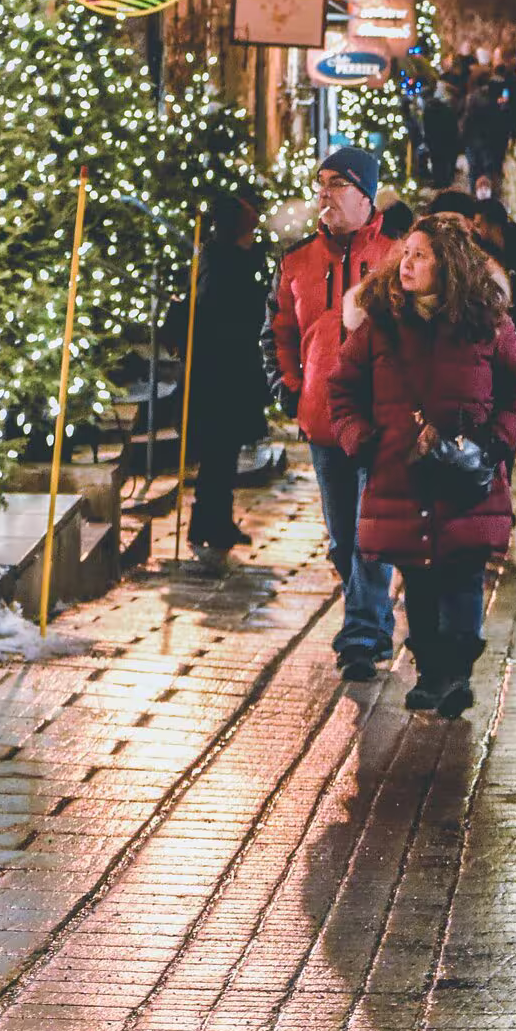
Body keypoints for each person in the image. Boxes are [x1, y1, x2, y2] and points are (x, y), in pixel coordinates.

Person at [328, 211, 516, 717]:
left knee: (463, 577)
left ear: (447, 265)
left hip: (467, 479)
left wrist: (496, 442)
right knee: (419, 582)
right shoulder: (379, 324)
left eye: (419, 255)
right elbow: (342, 387)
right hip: (400, 475)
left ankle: (458, 672)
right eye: (406, 254)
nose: (406, 264)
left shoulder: (486, 324)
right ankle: (429, 672)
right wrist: (363, 441)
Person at [266, 144, 396, 676]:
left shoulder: (395, 257)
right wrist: (291, 388)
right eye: (321, 183)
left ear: (366, 197)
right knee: (343, 536)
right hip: (322, 420)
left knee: (372, 532)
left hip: (378, 421)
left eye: (338, 184)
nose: (325, 193)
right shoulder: (297, 261)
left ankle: (362, 635)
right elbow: (278, 332)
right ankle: (373, 621)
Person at [187, 189, 272, 559]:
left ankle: (213, 520)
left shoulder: (232, 259)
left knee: (223, 453)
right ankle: (211, 522)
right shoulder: (225, 263)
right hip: (223, 373)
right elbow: (239, 309)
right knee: (219, 453)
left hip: (229, 370)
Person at [462, 79, 508, 192]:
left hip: (472, 141)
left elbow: (466, 122)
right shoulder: (492, 104)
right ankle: (486, 196)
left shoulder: (473, 98)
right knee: (487, 170)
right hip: (486, 142)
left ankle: (474, 194)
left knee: (474, 170)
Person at [422, 86, 463, 190]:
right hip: (446, 139)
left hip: (434, 141)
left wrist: (427, 139)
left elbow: (426, 128)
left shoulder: (427, 111)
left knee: (436, 162)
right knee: (445, 161)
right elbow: (453, 125)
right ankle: (447, 180)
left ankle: (439, 181)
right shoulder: (446, 109)